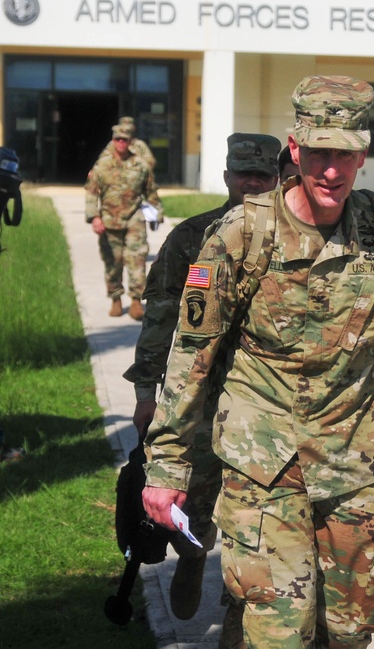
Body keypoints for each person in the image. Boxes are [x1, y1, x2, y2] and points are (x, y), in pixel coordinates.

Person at [142, 75, 374, 649]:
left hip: (354, 458)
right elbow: (192, 354)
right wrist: (167, 464)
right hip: (263, 461)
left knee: (353, 628)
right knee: (279, 631)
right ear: (294, 150)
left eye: (344, 154)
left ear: (362, 154)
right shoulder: (242, 233)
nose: (331, 170)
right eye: (319, 152)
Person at [123, 133, 280, 640]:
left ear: (279, 177)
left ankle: (243, 610)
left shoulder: (298, 237)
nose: (253, 183)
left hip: (266, 401)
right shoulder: (192, 237)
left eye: (263, 175)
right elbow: (161, 318)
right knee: (196, 498)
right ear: (228, 175)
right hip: (200, 397)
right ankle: (193, 554)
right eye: (244, 174)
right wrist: (147, 392)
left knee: (255, 514)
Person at [85, 123, 162, 320]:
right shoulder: (102, 165)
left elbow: (151, 193)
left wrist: (156, 216)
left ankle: (136, 301)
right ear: (113, 140)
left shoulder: (141, 165)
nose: (121, 142)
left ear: (130, 141)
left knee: (136, 258)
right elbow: (92, 193)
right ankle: (116, 299)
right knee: (113, 261)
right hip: (109, 220)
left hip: (134, 218)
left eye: (124, 139)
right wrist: (94, 217)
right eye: (118, 139)